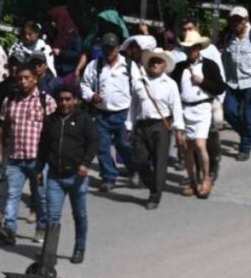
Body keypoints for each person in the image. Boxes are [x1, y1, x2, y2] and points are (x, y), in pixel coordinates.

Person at [35, 84, 95, 265]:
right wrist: (39, 169)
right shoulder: (51, 120)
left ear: (75, 100)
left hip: (77, 176)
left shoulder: (84, 119)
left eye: (68, 99)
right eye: (60, 99)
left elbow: (93, 143)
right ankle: (49, 254)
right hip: (55, 177)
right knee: (52, 216)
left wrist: (85, 164)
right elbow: (43, 147)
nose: (64, 103)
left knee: (80, 215)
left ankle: (79, 248)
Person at [0, 65, 56, 245]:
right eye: (20, 78)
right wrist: (1, 151)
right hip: (15, 158)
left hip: (38, 159)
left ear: (35, 79)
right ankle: (10, 229)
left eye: (27, 78)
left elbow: (55, 129)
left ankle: (41, 228)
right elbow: (3, 127)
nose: (23, 81)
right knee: (12, 194)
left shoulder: (46, 101)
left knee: (41, 196)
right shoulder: (10, 101)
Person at [79, 33, 139, 192]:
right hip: (101, 113)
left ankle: (134, 169)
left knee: (124, 144)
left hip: (124, 112)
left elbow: (137, 89)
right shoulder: (94, 65)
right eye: (106, 48)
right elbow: (84, 85)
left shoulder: (129, 65)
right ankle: (108, 177)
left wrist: (134, 116)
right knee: (102, 147)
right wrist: (91, 96)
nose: (109, 51)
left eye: (112, 48)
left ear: (118, 48)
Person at [170, 31, 226, 197]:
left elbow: (220, 87)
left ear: (199, 48)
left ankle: (206, 179)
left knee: (200, 145)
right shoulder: (180, 67)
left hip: (202, 108)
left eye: (193, 47)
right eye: (188, 48)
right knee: (187, 149)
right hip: (185, 109)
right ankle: (193, 181)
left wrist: (202, 81)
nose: (191, 51)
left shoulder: (209, 65)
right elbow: (173, 90)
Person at [128, 48, 184, 210]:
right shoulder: (140, 82)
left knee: (160, 162)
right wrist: (129, 126)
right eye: (152, 61)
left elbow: (176, 107)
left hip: (161, 125)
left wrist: (179, 129)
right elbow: (133, 106)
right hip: (142, 125)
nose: (154, 64)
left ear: (164, 65)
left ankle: (155, 195)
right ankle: (154, 184)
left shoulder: (170, 84)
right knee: (139, 159)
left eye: (158, 62)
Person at [222, 7, 251, 159]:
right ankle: (246, 134)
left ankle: (245, 148)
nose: (236, 23)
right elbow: (225, 59)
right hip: (232, 82)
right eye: (233, 20)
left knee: (248, 116)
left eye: (239, 20)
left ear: (246, 20)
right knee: (229, 112)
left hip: (250, 82)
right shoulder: (229, 37)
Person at [46, 6, 84, 80]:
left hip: (69, 72)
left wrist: (61, 52)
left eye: (55, 20)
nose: (53, 24)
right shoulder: (56, 35)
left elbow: (78, 54)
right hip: (57, 71)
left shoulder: (73, 35)